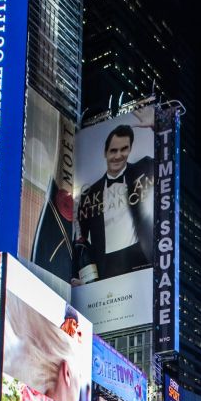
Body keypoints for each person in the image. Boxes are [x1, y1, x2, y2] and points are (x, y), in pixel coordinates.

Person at [75, 108, 155, 280]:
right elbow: (81, 240)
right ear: (105, 152)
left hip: (141, 256)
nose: (118, 156)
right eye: (113, 150)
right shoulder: (89, 194)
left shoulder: (145, 167)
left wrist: (157, 125)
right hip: (105, 265)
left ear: (130, 148)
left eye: (124, 149)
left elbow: (167, 161)